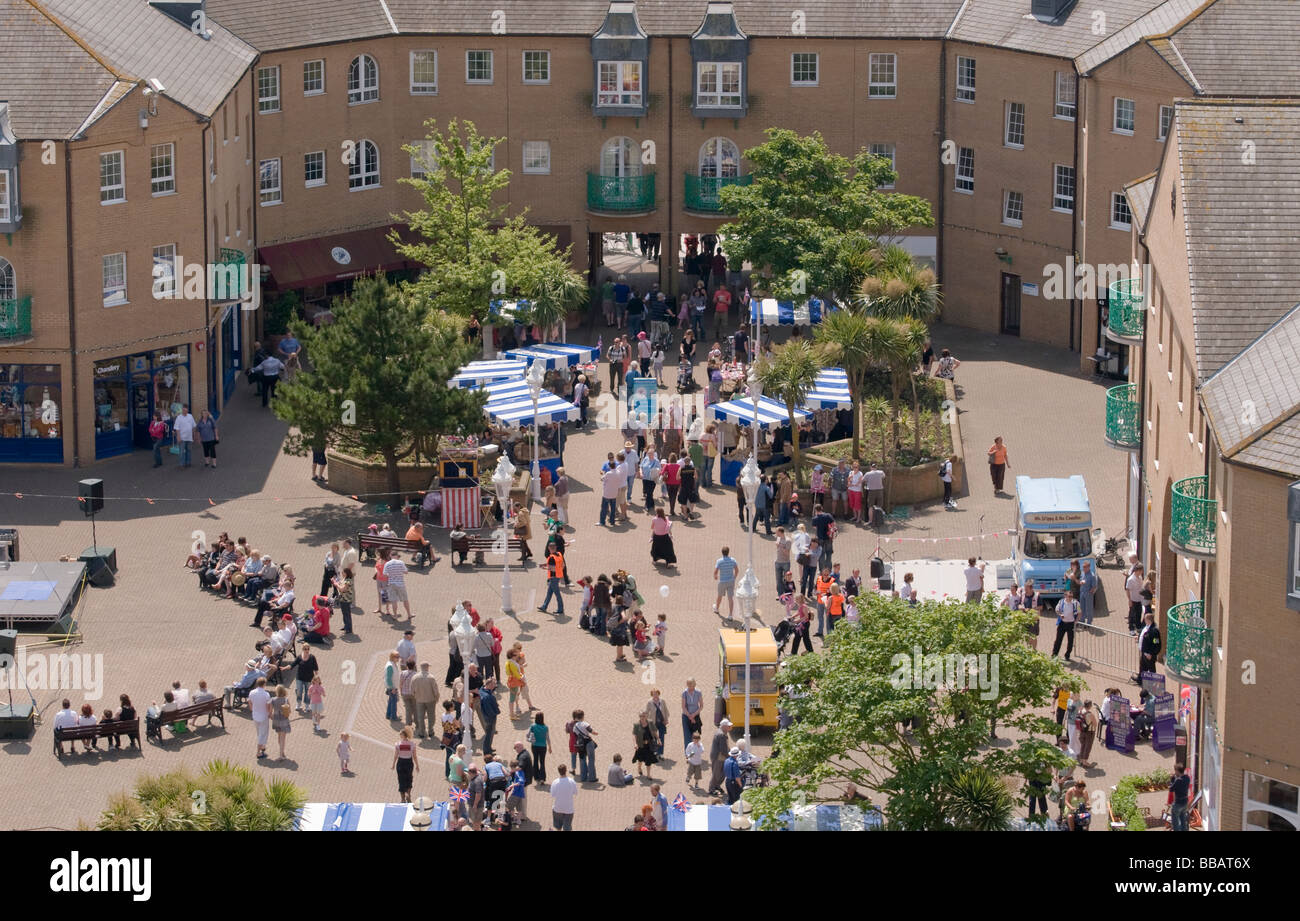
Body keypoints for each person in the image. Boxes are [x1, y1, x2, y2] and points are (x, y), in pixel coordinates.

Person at [411, 662, 440, 739]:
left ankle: (421, 732)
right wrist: (437, 698)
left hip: (419, 700)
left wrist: (416, 697)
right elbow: (436, 690)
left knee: (420, 716)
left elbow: (412, 690)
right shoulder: (431, 678)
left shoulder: (415, 677)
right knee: (431, 716)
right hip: (430, 700)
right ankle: (430, 731)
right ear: (427, 667)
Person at [538, 542, 566, 615]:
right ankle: (544, 606)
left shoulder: (551, 557)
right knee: (549, 592)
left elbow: (551, 568)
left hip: (553, 577)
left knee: (557, 594)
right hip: (558, 576)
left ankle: (560, 609)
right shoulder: (559, 554)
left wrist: (543, 567)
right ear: (555, 548)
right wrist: (545, 564)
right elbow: (563, 565)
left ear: (549, 548)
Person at [393, 727, 418, 803]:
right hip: (409, 762)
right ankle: (408, 794)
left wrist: (393, 764)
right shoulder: (412, 744)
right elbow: (414, 756)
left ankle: (402, 798)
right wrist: (417, 765)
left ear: (402, 735)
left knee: (401, 780)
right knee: (409, 778)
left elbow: (396, 755)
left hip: (401, 762)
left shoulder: (398, 744)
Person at [1052, 591, 1080, 661]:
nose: (1070, 598)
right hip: (1062, 623)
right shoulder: (1061, 602)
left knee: (1070, 641)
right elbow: (1057, 610)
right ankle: (1054, 654)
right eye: (1069, 596)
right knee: (1058, 640)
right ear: (1065, 596)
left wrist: (1076, 621)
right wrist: (1060, 615)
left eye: (1071, 596)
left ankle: (1067, 655)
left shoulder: (1076, 603)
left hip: (1071, 624)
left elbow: (1080, 612)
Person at [1135, 610, 1161, 684]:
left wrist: (1151, 654)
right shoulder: (1146, 626)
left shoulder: (1154, 631)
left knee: (1151, 669)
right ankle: (1140, 680)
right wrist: (1139, 637)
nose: (1144, 620)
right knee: (1142, 667)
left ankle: (1154, 683)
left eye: (1145, 619)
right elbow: (1144, 634)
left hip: (1149, 654)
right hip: (1144, 652)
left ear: (1149, 620)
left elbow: (1156, 644)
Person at [708, 718, 733, 795]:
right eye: (728, 726)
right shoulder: (721, 734)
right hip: (719, 757)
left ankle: (716, 786)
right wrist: (730, 756)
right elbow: (723, 749)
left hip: (720, 756)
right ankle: (711, 789)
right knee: (717, 773)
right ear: (724, 726)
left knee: (722, 773)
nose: (730, 727)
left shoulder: (722, 733)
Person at [248, 677, 271, 759]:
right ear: (264, 684)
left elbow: (249, 701)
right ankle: (258, 752)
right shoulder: (266, 694)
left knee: (259, 732)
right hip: (263, 716)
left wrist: (252, 709)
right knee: (263, 733)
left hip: (255, 715)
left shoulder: (252, 692)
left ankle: (262, 746)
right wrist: (270, 714)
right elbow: (268, 706)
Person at [550, 764, 578, 831]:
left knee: (558, 827)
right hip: (569, 809)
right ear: (566, 770)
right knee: (567, 828)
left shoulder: (555, 782)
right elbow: (575, 792)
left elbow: (552, 795)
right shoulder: (572, 781)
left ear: (558, 771)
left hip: (558, 808)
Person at [713, 546, 738, 619]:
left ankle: (717, 608)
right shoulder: (733, 560)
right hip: (731, 581)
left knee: (719, 596)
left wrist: (715, 576)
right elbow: (736, 570)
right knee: (730, 598)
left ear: (722, 552)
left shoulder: (719, 561)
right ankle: (730, 615)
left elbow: (716, 571)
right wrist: (734, 577)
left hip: (722, 581)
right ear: (728, 552)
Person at [271, 685, 292, 759]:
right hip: (284, 719)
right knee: (283, 738)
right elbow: (289, 711)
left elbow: (271, 711)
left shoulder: (273, 700)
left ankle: (282, 752)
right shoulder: (286, 700)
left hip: (276, 719)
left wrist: (271, 717)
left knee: (279, 736)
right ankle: (281, 754)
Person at [1169, 763, 1192, 831]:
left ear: (1177, 771)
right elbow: (1180, 784)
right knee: (1183, 821)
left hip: (1178, 803)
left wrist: (1172, 779)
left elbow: (1171, 789)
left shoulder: (1178, 780)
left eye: (1175, 770)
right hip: (1185, 802)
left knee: (1176, 824)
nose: (1175, 772)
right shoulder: (1187, 778)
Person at [1125, 564, 1146, 634]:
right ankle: (1131, 629)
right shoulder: (1131, 579)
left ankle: (1138, 626)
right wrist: (1129, 600)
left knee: (1139, 613)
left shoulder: (1139, 577)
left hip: (1139, 599)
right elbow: (1127, 590)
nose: (1142, 572)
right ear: (1138, 571)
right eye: (1141, 571)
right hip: (1133, 599)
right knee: (1132, 614)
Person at [1078, 561, 1098, 625]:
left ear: (1088, 567)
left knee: (1089, 608)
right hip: (1082, 592)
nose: (1083, 568)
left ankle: (1089, 622)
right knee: (1082, 607)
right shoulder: (1083, 573)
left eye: (1084, 567)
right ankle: (1082, 620)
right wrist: (1081, 582)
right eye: (1083, 567)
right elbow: (1080, 580)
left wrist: (1090, 592)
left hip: (1088, 593)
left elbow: (1094, 586)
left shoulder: (1092, 575)